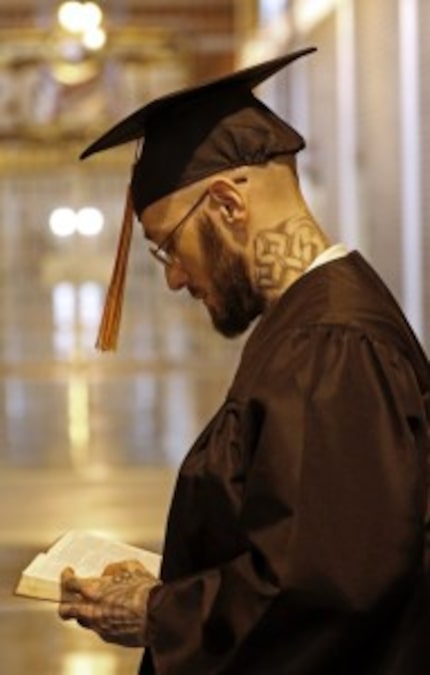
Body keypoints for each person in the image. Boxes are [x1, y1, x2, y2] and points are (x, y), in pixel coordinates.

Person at [59, 46, 430, 674]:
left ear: (229, 205)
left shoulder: (330, 346)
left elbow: (326, 587)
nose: (175, 277)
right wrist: (168, 582)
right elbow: (302, 536)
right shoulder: (309, 323)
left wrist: (159, 614)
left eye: (168, 246)